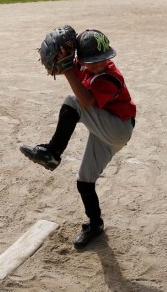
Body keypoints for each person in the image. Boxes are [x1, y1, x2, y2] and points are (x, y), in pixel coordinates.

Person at [20, 29, 136, 249]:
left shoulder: (110, 78)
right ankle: (95, 224)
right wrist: (64, 59)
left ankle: (52, 153)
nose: (97, 64)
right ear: (80, 59)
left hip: (118, 127)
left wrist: (68, 70)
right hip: (104, 133)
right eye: (91, 61)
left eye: (102, 59)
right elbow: (69, 68)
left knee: (73, 101)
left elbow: (86, 100)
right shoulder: (83, 66)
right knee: (84, 180)